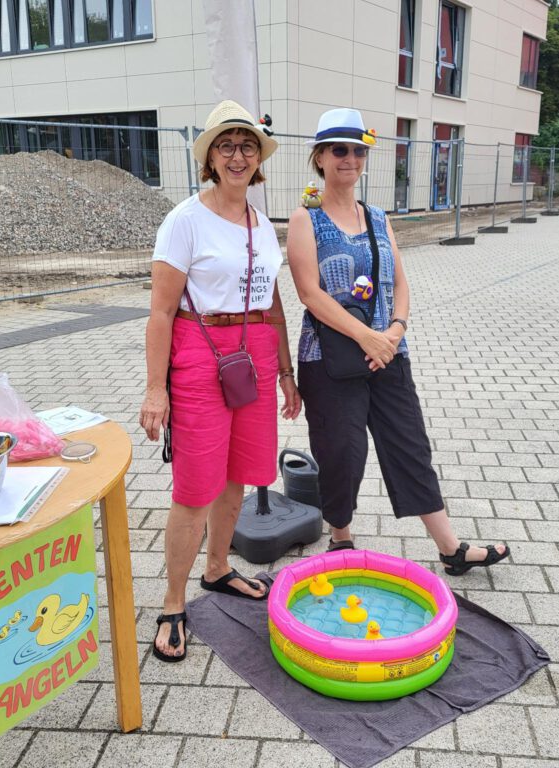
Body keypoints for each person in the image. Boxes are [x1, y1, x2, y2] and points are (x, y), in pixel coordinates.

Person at [286, 107, 510, 576]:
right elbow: (308, 292)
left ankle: (449, 547)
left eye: (357, 151)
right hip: (330, 356)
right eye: (339, 150)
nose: (349, 159)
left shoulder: (378, 217)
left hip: (389, 351)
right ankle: (341, 536)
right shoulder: (305, 219)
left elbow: (400, 283)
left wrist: (394, 330)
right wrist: (367, 335)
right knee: (341, 450)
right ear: (320, 159)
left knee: (409, 444)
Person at [139, 101, 301, 663]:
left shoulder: (262, 222)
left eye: (248, 146)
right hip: (201, 353)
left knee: (238, 475)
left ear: (259, 160)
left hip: (254, 353)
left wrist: (287, 373)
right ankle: (173, 601)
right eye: (226, 146)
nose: (238, 155)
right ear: (210, 157)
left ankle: (217, 568)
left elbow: (273, 302)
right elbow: (160, 312)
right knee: (194, 488)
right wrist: (155, 388)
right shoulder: (185, 219)